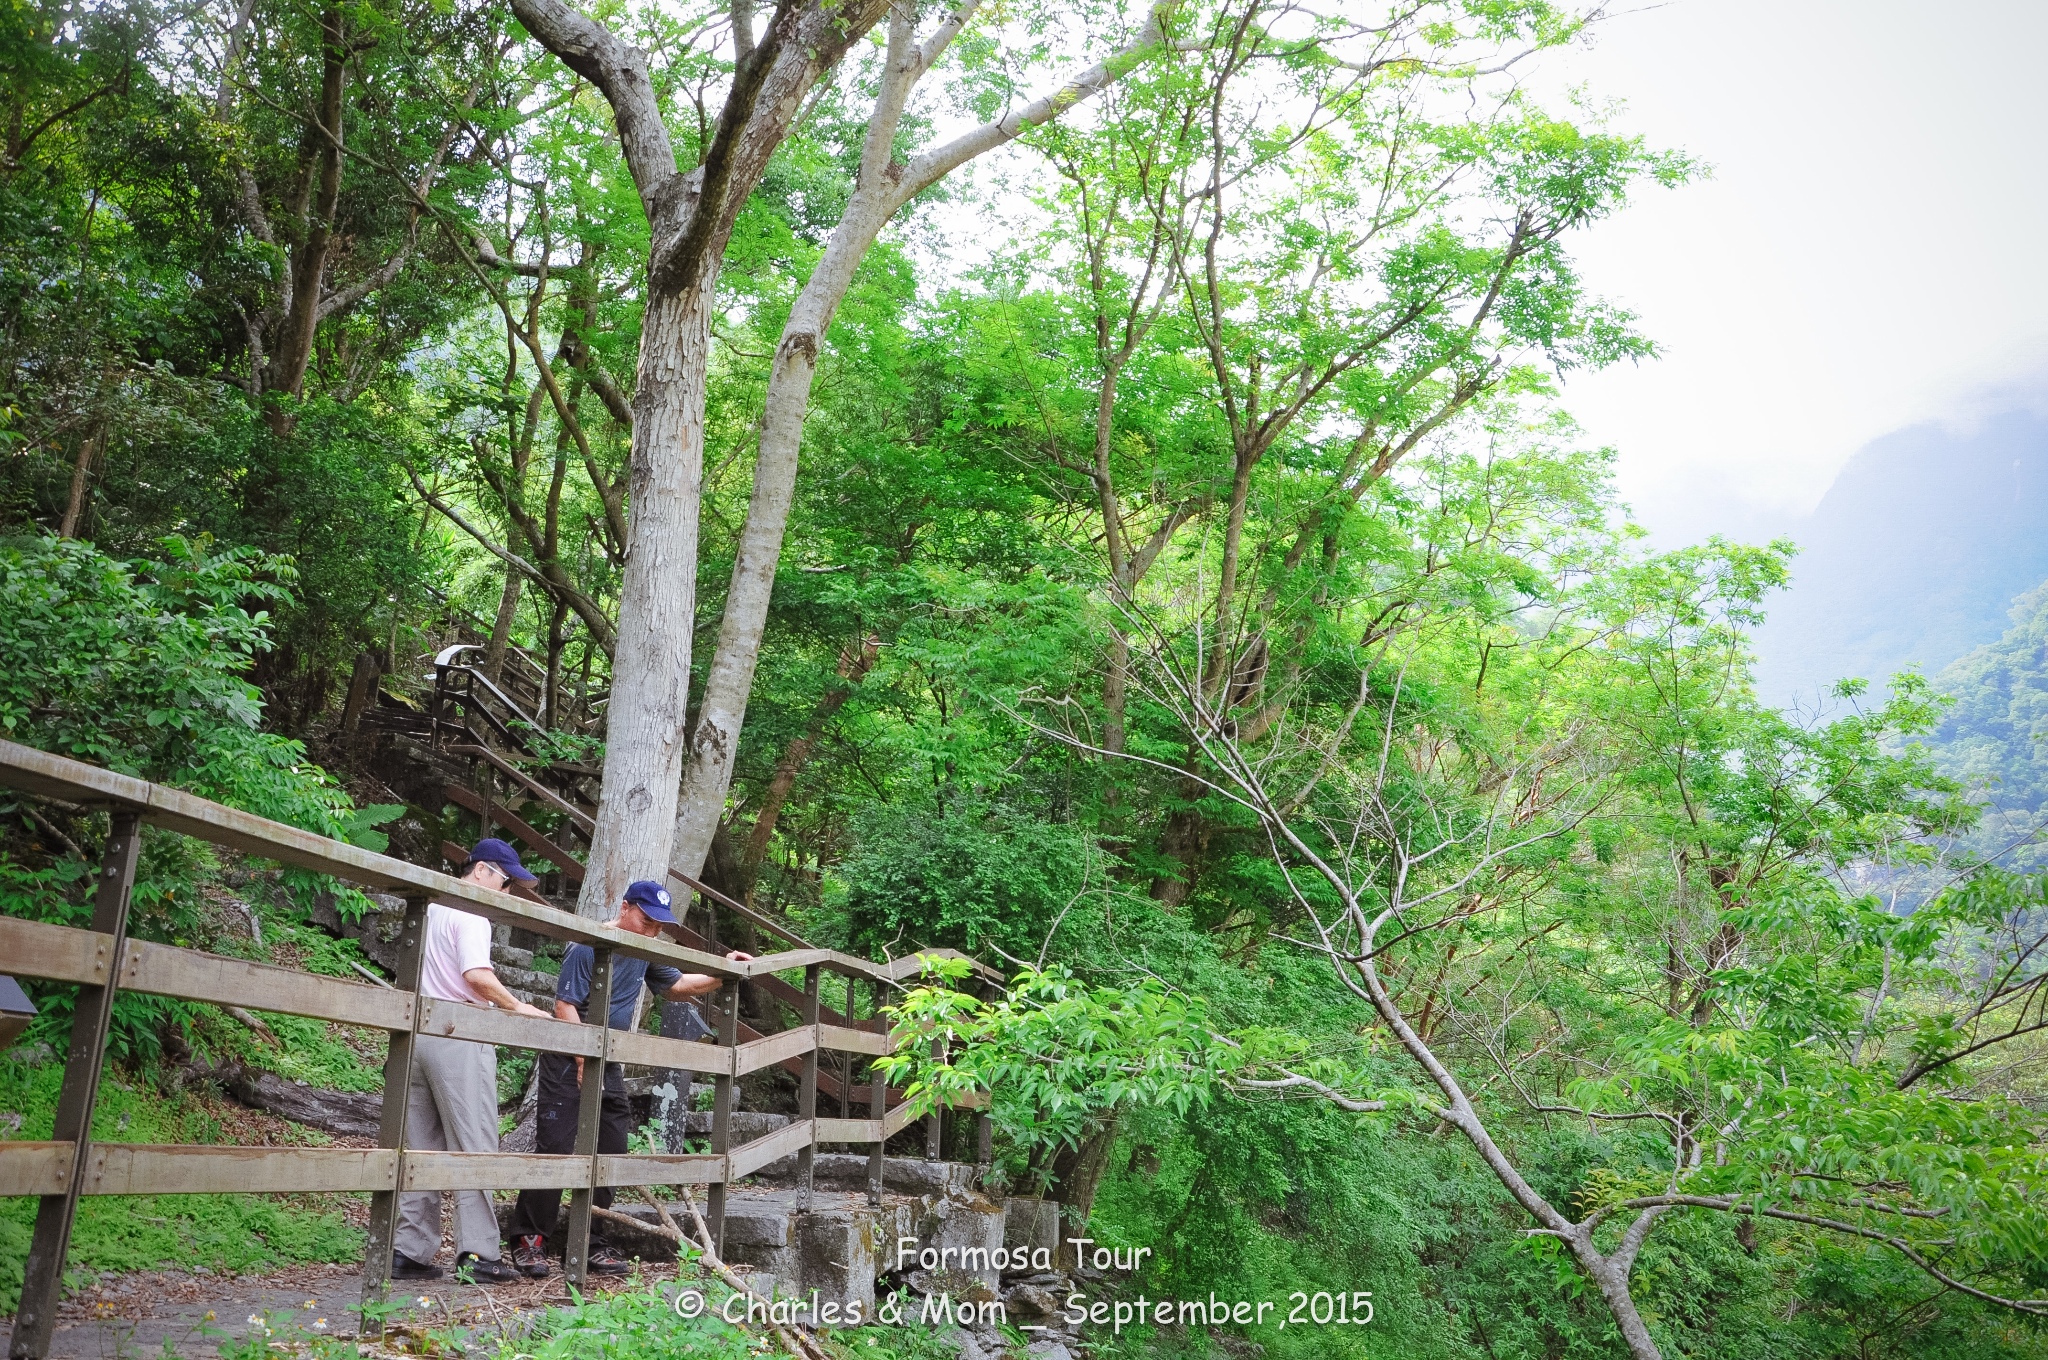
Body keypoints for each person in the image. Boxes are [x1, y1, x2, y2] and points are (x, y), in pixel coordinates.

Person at [509, 880, 750, 1277]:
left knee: (612, 1144)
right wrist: (585, 1056)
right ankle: (529, 1239)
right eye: (646, 921)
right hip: (570, 1051)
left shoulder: (645, 948)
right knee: (556, 1145)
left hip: (612, 1056)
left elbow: (676, 986)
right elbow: (564, 1005)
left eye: (659, 925)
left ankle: (591, 1239)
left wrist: (726, 970)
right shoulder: (587, 943)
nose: (653, 931)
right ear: (625, 909)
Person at [392, 838, 555, 1285]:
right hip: (459, 1032)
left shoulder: (430, 907)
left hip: (417, 1031)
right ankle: (479, 1251)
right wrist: (515, 1006)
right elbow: (476, 975)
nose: (507, 893)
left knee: (418, 1146)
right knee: (476, 1144)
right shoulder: (471, 913)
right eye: (506, 882)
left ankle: (409, 1248)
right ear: (481, 871)